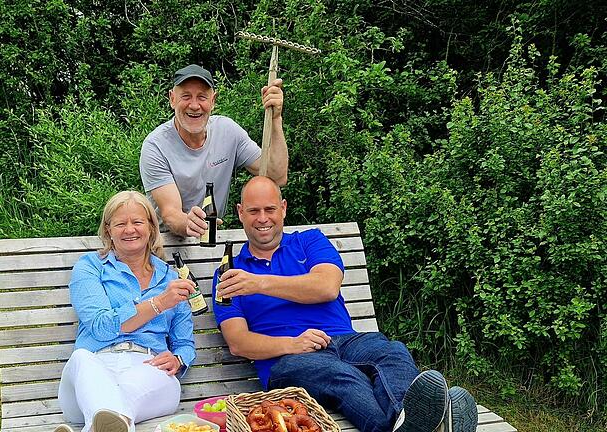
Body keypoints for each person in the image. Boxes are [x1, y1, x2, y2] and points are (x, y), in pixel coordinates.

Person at [211, 177, 479, 432]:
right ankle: (428, 424)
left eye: (270, 209)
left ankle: (406, 422)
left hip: (345, 341)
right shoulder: (229, 272)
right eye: (253, 210)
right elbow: (239, 342)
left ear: (283, 209)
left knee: (391, 351)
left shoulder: (309, 241)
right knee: (342, 376)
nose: (262, 218)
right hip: (288, 359)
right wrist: (293, 344)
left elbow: (327, 287)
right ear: (240, 213)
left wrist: (259, 283)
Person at [54, 191, 197, 432]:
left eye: (137, 222)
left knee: (114, 411)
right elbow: (101, 327)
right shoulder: (90, 268)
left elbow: (184, 342)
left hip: (149, 369)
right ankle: (109, 419)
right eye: (120, 223)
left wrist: (179, 359)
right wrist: (159, 303)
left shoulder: (170, 278)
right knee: (81, 358)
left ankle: (100, 425)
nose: (129, 229)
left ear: (151, 227)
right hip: (91, 371)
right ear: (108, 230)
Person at [140, 63, 289, 237]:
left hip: (212, 236)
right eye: (186, 96)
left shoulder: (228, 131)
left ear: (213, 101)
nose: (194, 105)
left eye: (202, 97)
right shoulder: (155, 146)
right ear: (172, 99)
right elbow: (171, 213)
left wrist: (276, 118)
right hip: (166, 241)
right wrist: (189, 222)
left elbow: (277, 176)